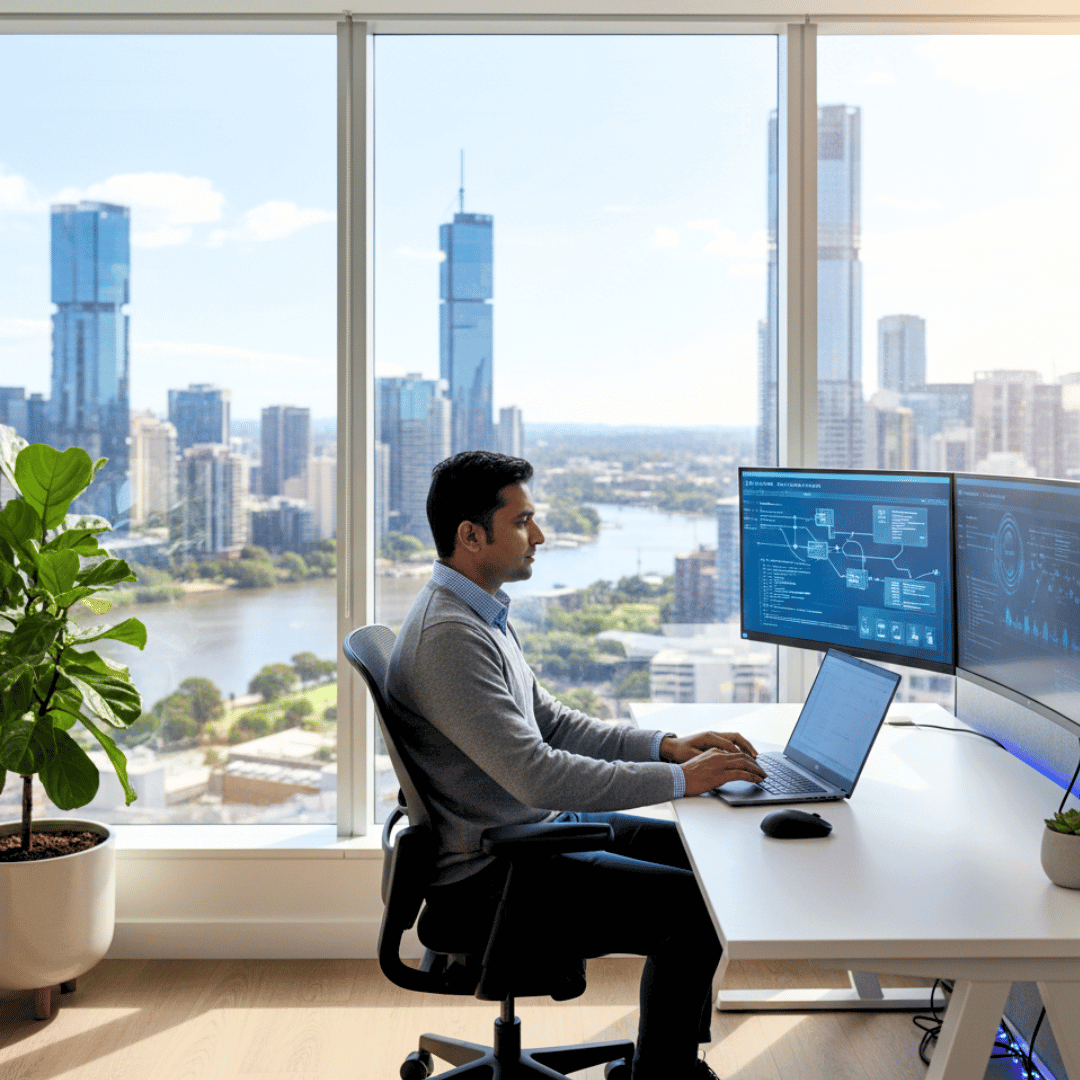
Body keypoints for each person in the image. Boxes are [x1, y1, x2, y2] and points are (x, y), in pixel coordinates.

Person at [386, 450, 768, 1080]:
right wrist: (681, 781)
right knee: (696, 910)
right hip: (496, 872)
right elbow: (540, 773)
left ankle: (669, 1063)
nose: (538, 536)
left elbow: (555, 724)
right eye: (522, 522)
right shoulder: (450, 638)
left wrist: (667, 746)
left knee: (703, 862)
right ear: (470, 536)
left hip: (526, 834)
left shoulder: (480, 615)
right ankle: (664, 1077)